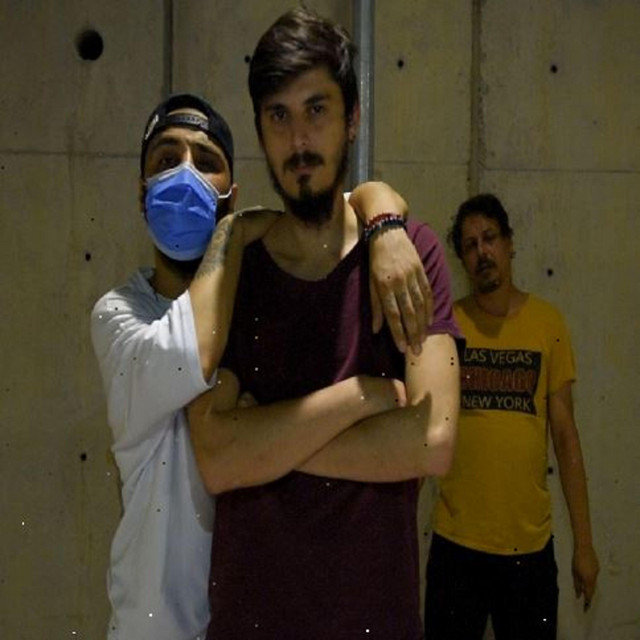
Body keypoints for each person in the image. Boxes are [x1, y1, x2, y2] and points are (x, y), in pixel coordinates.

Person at [91, 93, 435, 640]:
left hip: (249, 616)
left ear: (230, 192)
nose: (185, 176)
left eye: (206, 161)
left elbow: (342, 207)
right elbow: (193, 353)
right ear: (141, 189)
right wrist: (364, 396)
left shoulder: (258, 296)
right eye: (166, 159)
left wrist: (382, 214)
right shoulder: (120, 315)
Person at [186, 8, 461, 639]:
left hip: (377, 623)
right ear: (260, 130)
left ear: (352, 118)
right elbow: (217, 461)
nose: (299, 140)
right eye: (278, 116)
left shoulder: (409, 257)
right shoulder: (236, 271)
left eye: (317, 110)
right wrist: (361, 398)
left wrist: (264, 446)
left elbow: (433, 440)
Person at [424, 193, 600, 640]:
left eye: (489, 238)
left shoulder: (548, 324)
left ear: (509, 243)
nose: (482, 252)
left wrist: (584, 545)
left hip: (528, 550)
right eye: (470, 245)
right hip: (457, 545)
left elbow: (566, 437)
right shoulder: (447, 327)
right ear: (462, 259)